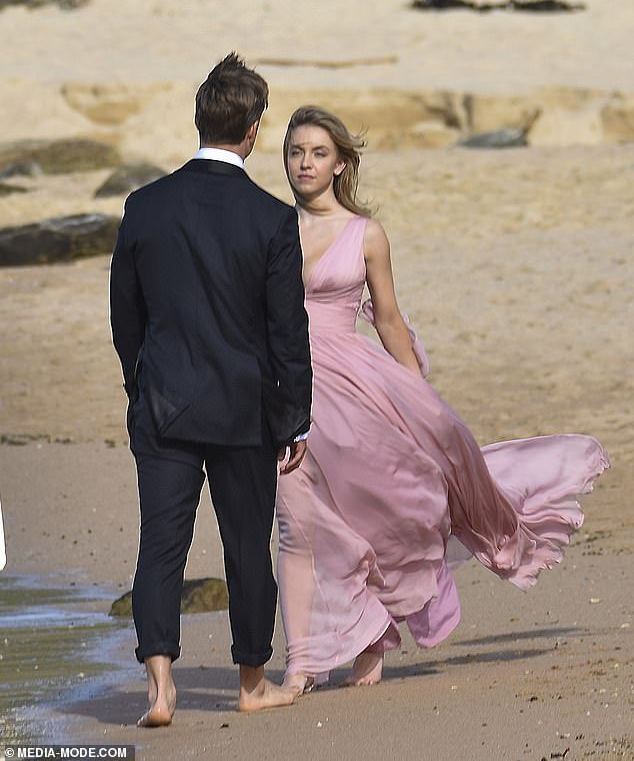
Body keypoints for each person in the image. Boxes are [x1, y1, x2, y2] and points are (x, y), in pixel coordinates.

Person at [275, 105, 609, 695]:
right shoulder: (269, 227)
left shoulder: (364, 233)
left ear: (341, 164)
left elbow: (387, 318)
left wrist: (417, 401)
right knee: (304, 524)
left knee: (383, 509)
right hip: (285, 391)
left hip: (354, 387)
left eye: (318, 153)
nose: (305, 163)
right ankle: (305, 660)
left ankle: (370, 636)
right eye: (297, 151)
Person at [109, 54, 312, 725]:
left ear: (198, 120)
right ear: (253, 129)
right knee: (246, 546)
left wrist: (140, 385)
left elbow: (125, 316)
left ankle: (160, 687)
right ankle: (252, 682)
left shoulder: (144, 206)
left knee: (159, 544)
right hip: (245, 411)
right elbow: (287, 331)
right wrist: (295, 419)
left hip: (163, 402)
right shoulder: (272, 218)